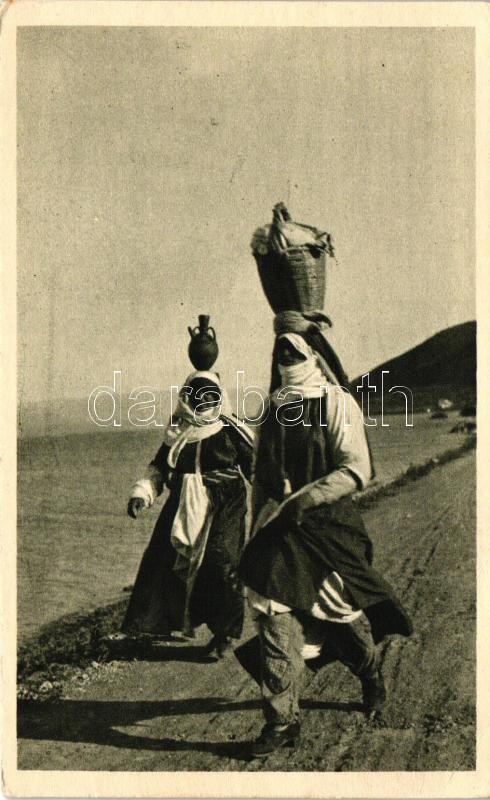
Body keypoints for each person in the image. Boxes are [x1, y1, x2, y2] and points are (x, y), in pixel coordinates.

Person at [238, 316, 413, 756]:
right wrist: (256, 527)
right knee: (272, 611)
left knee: (340, 616)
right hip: (280, 534)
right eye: (280, 352)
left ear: (312, 355)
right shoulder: (273, 408)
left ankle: (369, 672)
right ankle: (281, 721)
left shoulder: (335, 402)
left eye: (294, 352)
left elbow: (357, 469)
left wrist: (302, 501)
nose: (286, 359)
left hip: (327, 531)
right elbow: (260, 476)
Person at [122, 370, 253, 658]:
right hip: (183, 502)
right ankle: (160, 623)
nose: (205, 400)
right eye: (199, 394)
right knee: (162, 558)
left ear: (220, 398)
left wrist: (279, 496)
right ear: (187, 398)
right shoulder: (178, 432)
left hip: (225, 502)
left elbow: (256, 468)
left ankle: (225, 634)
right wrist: (142, 494)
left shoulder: (231, 430)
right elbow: (158, 468)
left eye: (211, 394)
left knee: (222, 559)